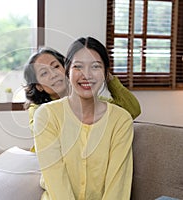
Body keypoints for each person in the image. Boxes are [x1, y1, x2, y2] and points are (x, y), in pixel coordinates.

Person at [33, 36, 133, 199]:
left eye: (95, 66)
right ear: (67, 71)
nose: (86, 75)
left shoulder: (121, 120)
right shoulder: (47, 115)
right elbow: (56, 181)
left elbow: (117, 187)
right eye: (78, 67)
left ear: (106, 73)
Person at [23, 47, 140, 152]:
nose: (53, 74)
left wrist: (106, 76)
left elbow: (133, 110)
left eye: (56, 66)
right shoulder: (38, 110)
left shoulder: (91, 101)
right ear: (38, 85)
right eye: (44, 73)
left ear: (67, 68)